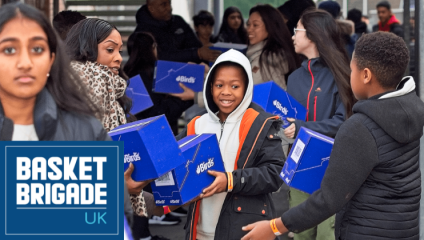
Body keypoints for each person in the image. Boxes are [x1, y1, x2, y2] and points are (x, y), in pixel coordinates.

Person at [242, 31, 422, 240]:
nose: (349, 74)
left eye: (352, 69)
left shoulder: (360, 128)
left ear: (365, 75)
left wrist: (274, 227)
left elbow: (329, 198)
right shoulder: (410, 113)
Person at [179, 49, 285, 240]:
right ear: (210, 86)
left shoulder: (261, 123)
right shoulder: (197, 124)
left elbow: (274, 174)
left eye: (234, 86)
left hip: (242, 232)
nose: (226, 92)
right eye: (219, 85)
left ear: (246, 88)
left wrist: (231, 181)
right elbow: (174, 165)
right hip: (200, 231)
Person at [283, 9, 355, 240]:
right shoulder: (293, 78)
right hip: (300, 165)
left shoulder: (342, 73)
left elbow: (344, 121)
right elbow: (290, 120)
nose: (292, 35)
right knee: (300, 232)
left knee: (327, 234)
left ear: (312, 35)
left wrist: (301, 126)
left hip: (332, 166)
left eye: (297, 30)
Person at [0, 2, 109, 141]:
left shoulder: (86, 131)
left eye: (37, 49)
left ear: (51, 60)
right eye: (9, 50)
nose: (25, 63)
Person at [66, 18, 135, 132]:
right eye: (110, 49)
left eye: (120, 51)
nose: (119, 58)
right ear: (86, 49)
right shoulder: (87, 82)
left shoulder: (113, 87)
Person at [131, 0, 220, 63]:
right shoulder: (142, 33)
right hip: (156, 84)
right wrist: (196, 53)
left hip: (188, 78)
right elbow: (159, 57)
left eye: (169, 3)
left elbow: (196, 47)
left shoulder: (178, 22)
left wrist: (204, 54)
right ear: (151, 8)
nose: (169, 8)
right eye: (163, 4)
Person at [246, 4, 300, 90]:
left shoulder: (267, 59)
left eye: (255, 25)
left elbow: (279, 95)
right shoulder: (277, 53)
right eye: (248, 24)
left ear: (270, 27)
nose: (249, 29)